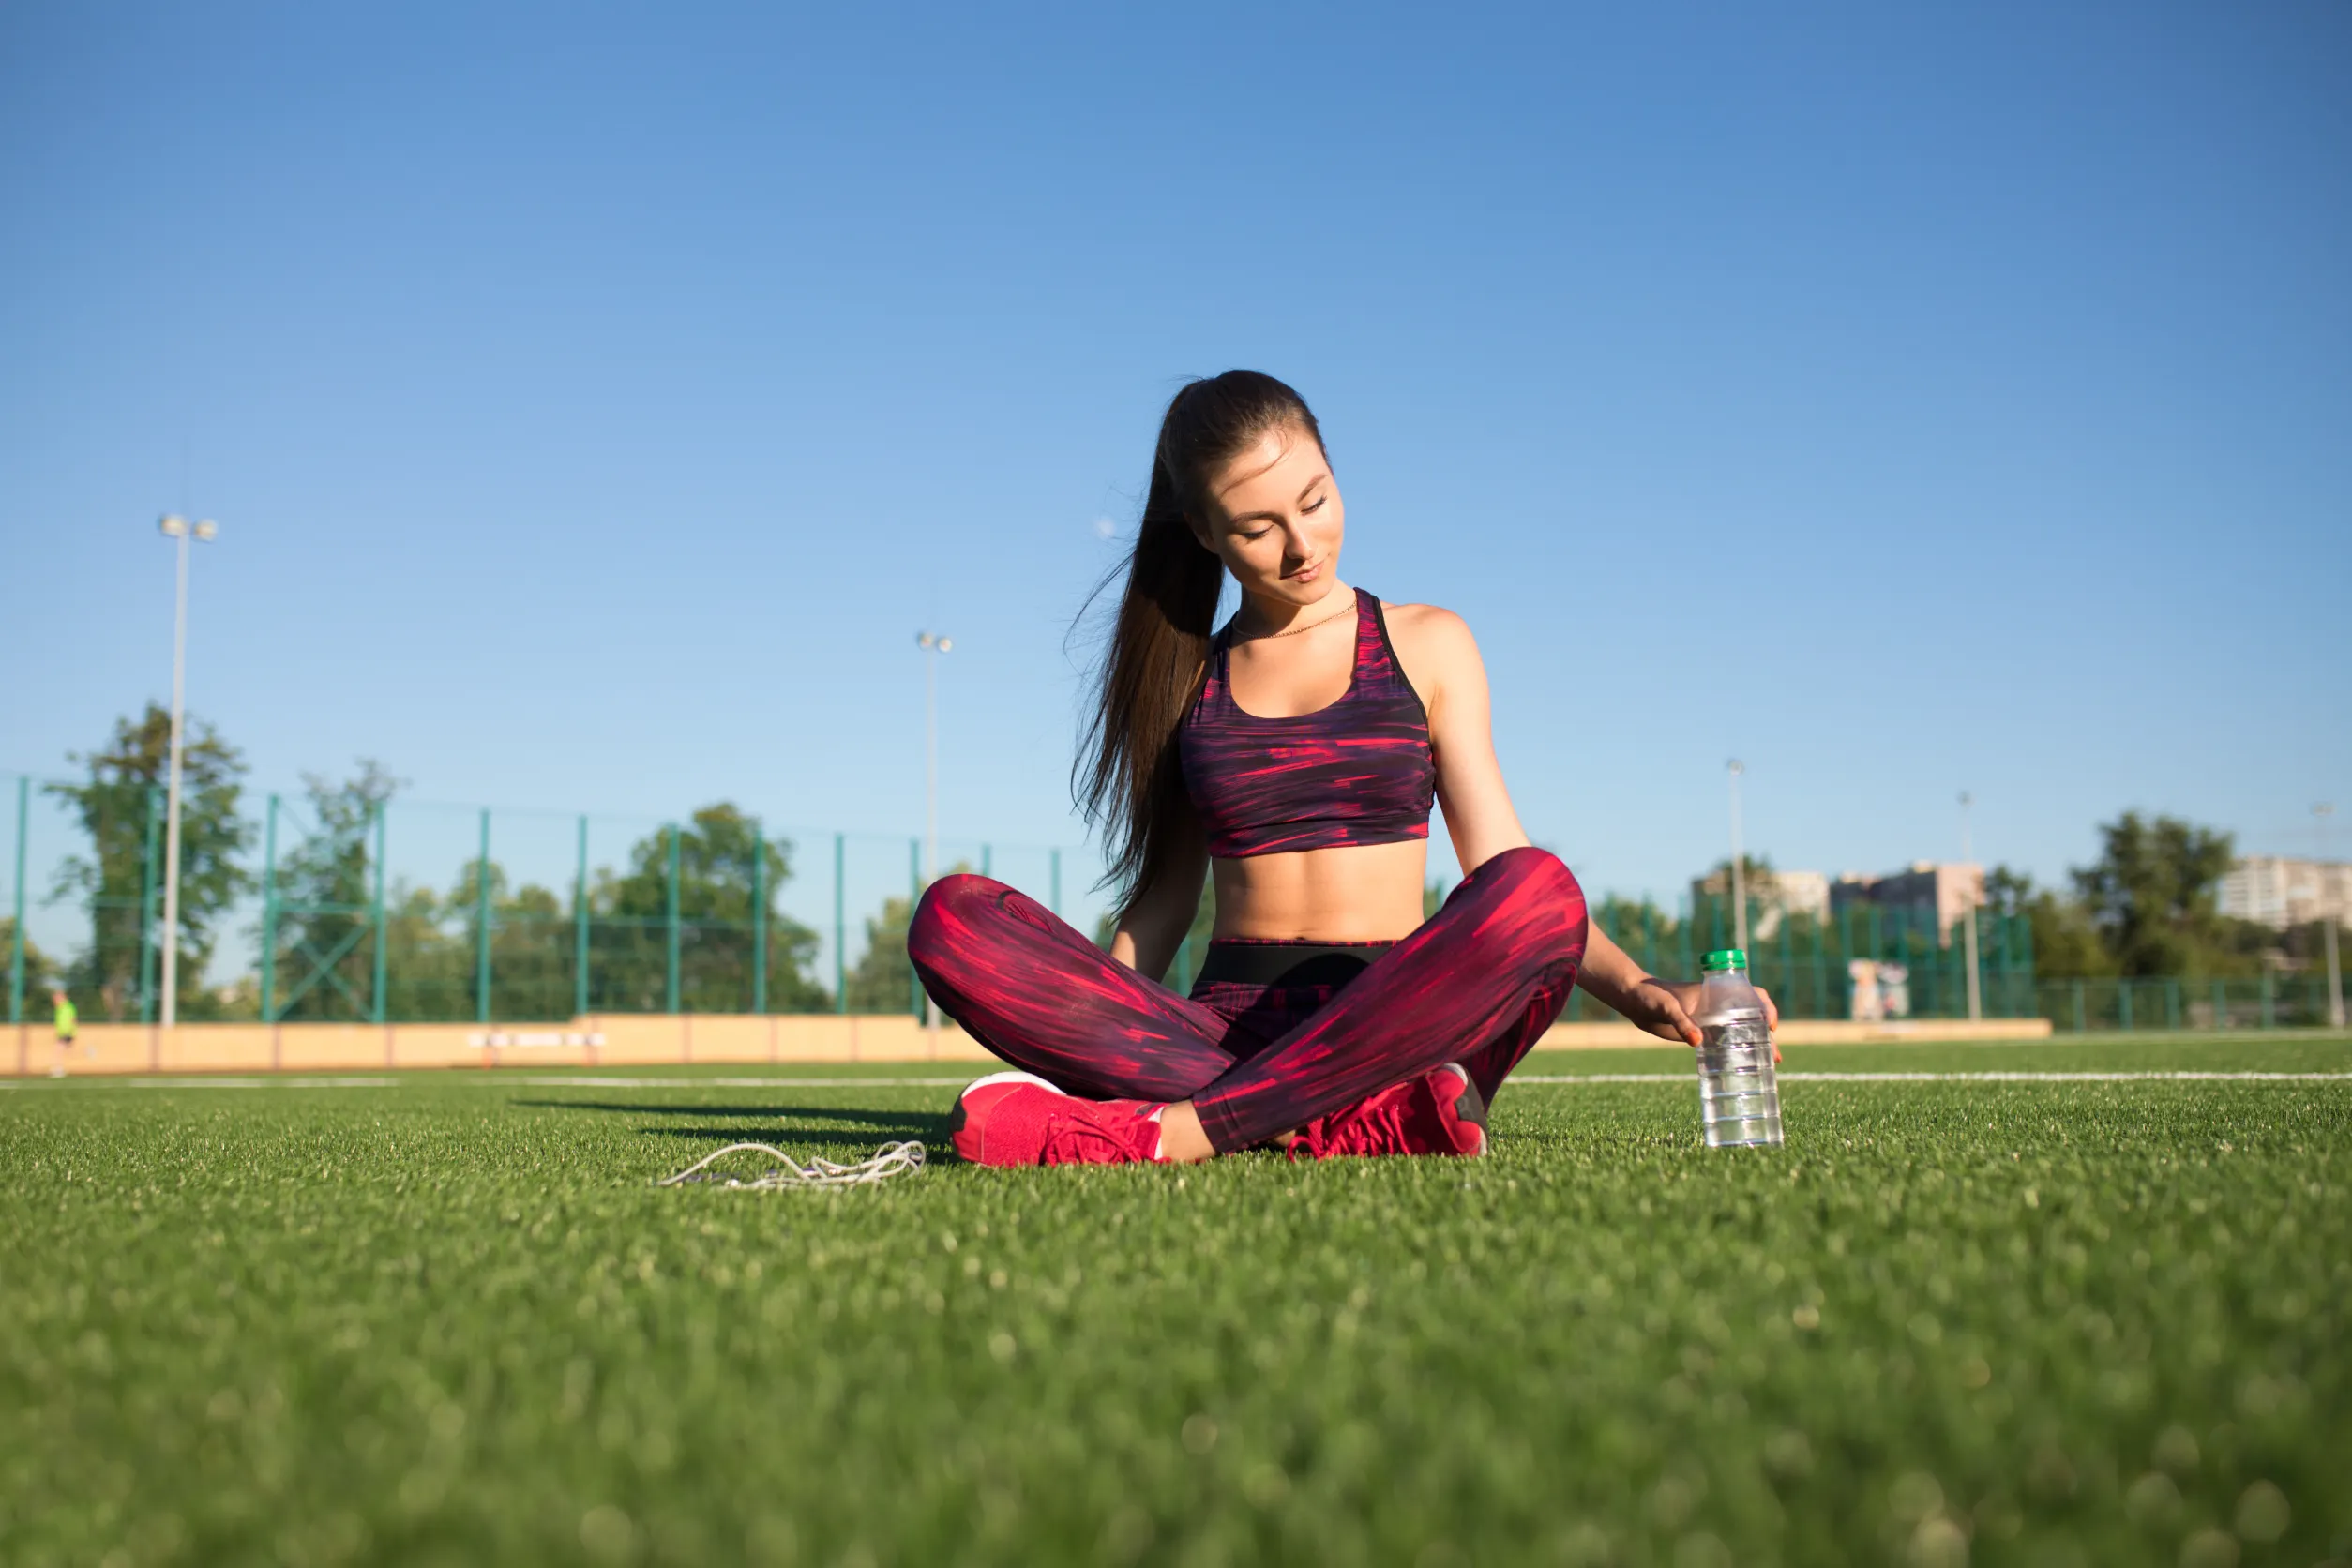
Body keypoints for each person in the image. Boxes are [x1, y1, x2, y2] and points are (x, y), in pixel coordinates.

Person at [912, 371, 1773, 1167]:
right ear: (1205, 533)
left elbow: (1499, 860)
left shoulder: (1427, 643)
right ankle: (1347, 1117)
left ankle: (1181, 1132)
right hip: (1219, 1035)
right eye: (1257, 528)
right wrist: (1096, 1031)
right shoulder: (1186, 680)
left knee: (1540, 887)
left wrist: (1640, 989)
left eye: (1315, 502)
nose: (1300, 546)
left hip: (1400, 1022)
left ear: (1334, 470)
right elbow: (1166, 903)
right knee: (952, 917)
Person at [50, 987, 77, 1078]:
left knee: (58, 1049)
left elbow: (73, 1020)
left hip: (67, 1033)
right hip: (62, 1033)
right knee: (61, 1050)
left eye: (57, 998)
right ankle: (59, 1068)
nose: (55, 1001)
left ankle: (59, 1069)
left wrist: (72, 1032)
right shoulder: (59, 1009)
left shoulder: (68, 1007)